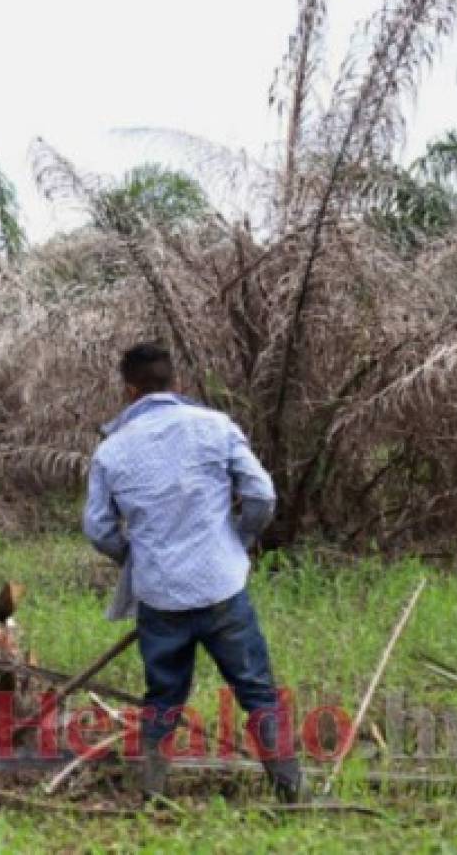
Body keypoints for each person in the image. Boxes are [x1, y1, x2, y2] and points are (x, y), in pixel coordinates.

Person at [82, 343, 304, 803]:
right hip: (222, 587)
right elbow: (262, 496)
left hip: (160, 597)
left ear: (129, 389)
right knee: (257, 691)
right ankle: (291, 791)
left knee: (162, 697)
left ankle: (152, 792)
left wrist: (137, 557)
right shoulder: (215, 427)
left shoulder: (112, 451)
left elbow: (98, 529)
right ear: (174, 383)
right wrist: (234, 542)